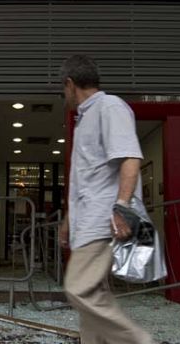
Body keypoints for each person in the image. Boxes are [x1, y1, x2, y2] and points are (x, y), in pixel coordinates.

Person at [59, 55, 154, 344]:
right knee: (93, 300)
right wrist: (68, 222)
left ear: (70, 84)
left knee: (78, 288)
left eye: (63, 89)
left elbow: (130, 158)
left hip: (102, 220)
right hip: (87, 220)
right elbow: (85, 181)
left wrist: (122, 208)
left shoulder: (109, 107)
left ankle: (139, 341)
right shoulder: (86, 117)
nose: (63, 95)